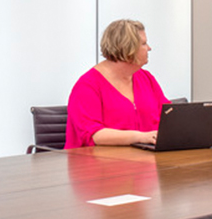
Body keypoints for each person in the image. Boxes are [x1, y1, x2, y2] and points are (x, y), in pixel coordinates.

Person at [65, 19, 168, 149]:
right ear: (128, 48)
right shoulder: (87, 86)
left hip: (143, 160)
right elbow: (94, 135)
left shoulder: (146, 78)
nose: (149, 48)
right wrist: (142, 137)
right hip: (98, 165)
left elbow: (167, 115)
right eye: (144, 43)